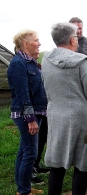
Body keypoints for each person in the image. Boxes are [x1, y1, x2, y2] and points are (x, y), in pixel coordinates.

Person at [42, 22, 87, 195]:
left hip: (55, 116)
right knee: (82, 164)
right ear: (72, 40)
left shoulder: (46, 59)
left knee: (57, 164)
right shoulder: (81, 62)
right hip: (80, 119)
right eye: (76, 36)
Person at [7, 29, 47, 195]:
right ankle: (24, 191)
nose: (39, 44)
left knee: (24, 151)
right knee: (31, 153)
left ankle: (23, 188)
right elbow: (23, 94)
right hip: (26, 115)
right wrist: (30, 119)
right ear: (25, 44)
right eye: (36, 41)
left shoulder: (29, 63)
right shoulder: (18, 64)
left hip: (34, 113)